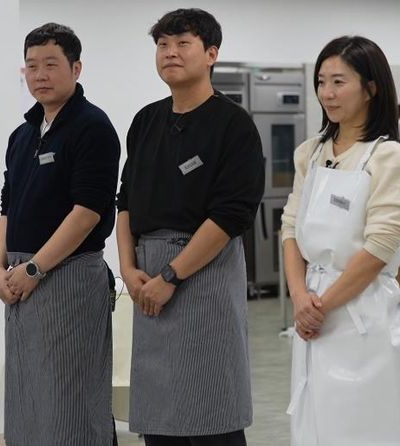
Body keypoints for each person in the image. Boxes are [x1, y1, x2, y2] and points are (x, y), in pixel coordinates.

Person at [116, 9, 264, 446]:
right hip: (146, 277)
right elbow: (125, 201)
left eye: (183, 43)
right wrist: (128, 268)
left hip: (204, 275)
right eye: (163, 45)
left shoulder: (233, 124)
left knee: (212, 411)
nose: (170, 53)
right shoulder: (146, 120)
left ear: (211, 54)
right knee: (159, 418)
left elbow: (230, 215)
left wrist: (171, 275)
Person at [282, 35, 400, 445]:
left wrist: (322, 306)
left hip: (362, 312)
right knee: (316, 423)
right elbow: (290, 228)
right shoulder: (310, 153)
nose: (327, 92)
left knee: (367, 426)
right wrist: (300, 297)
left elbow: (380, 247)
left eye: (339, 82)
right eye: (321, 82)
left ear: (370, 88)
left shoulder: (389, 157)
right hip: (311, 307)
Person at [0, 23, 120, 446]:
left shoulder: (92, 126)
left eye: (50, 64)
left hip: (69, 278)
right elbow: (8, 205)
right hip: (21, 278)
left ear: (76, 68)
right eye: (31, 66)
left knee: (71, 401)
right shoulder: (22, 134)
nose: (40, 75)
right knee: (29, 395)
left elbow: (87, 214)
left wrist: (33, 268)